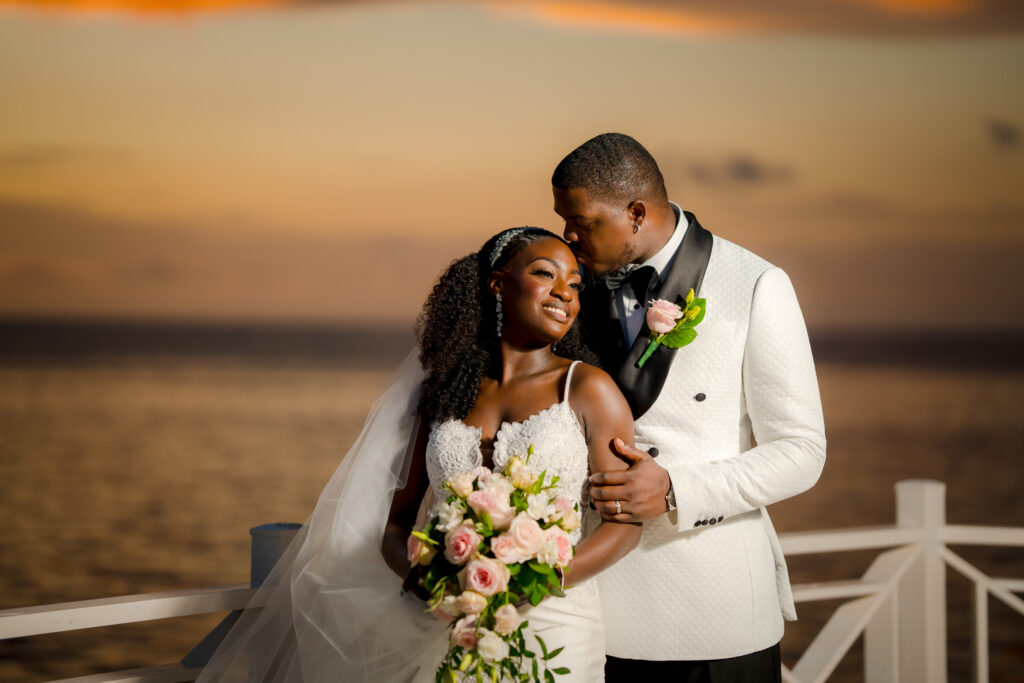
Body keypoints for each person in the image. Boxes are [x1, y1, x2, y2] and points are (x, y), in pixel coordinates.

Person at [197, 227, 640, 682]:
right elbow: (396, 525)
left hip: (554, 624)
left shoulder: (588, 389)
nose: (565, 293)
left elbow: (624, 526)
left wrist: (538, 582)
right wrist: (426, 581)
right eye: (546, 274)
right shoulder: (446, 394)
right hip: (444, 623)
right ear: (497, 284)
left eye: (574, 283)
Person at [551, 133, 826, 682]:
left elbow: (801, 451)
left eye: (581, 221)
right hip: (589, 609)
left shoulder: (757, 284)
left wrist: (676, 489)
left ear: (634, 213)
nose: (567, 236)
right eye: (562, 220)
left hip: (712, 615)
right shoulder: (568, 289)